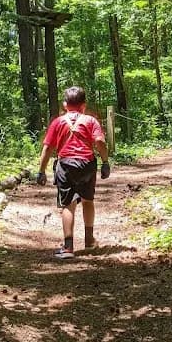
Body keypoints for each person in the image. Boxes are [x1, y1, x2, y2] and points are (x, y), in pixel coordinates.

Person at [36, 86, 110, 259]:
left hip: (65, 165)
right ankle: (89, 240)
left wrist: (41, 171)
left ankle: (68, 247)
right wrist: (105, 162)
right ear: (83, 105)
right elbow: (99, 142)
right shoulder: (91, 121)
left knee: (68, 205)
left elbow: (47, 148)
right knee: (88, 200)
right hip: (87, 165)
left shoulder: (58, 122)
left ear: (64, 104)